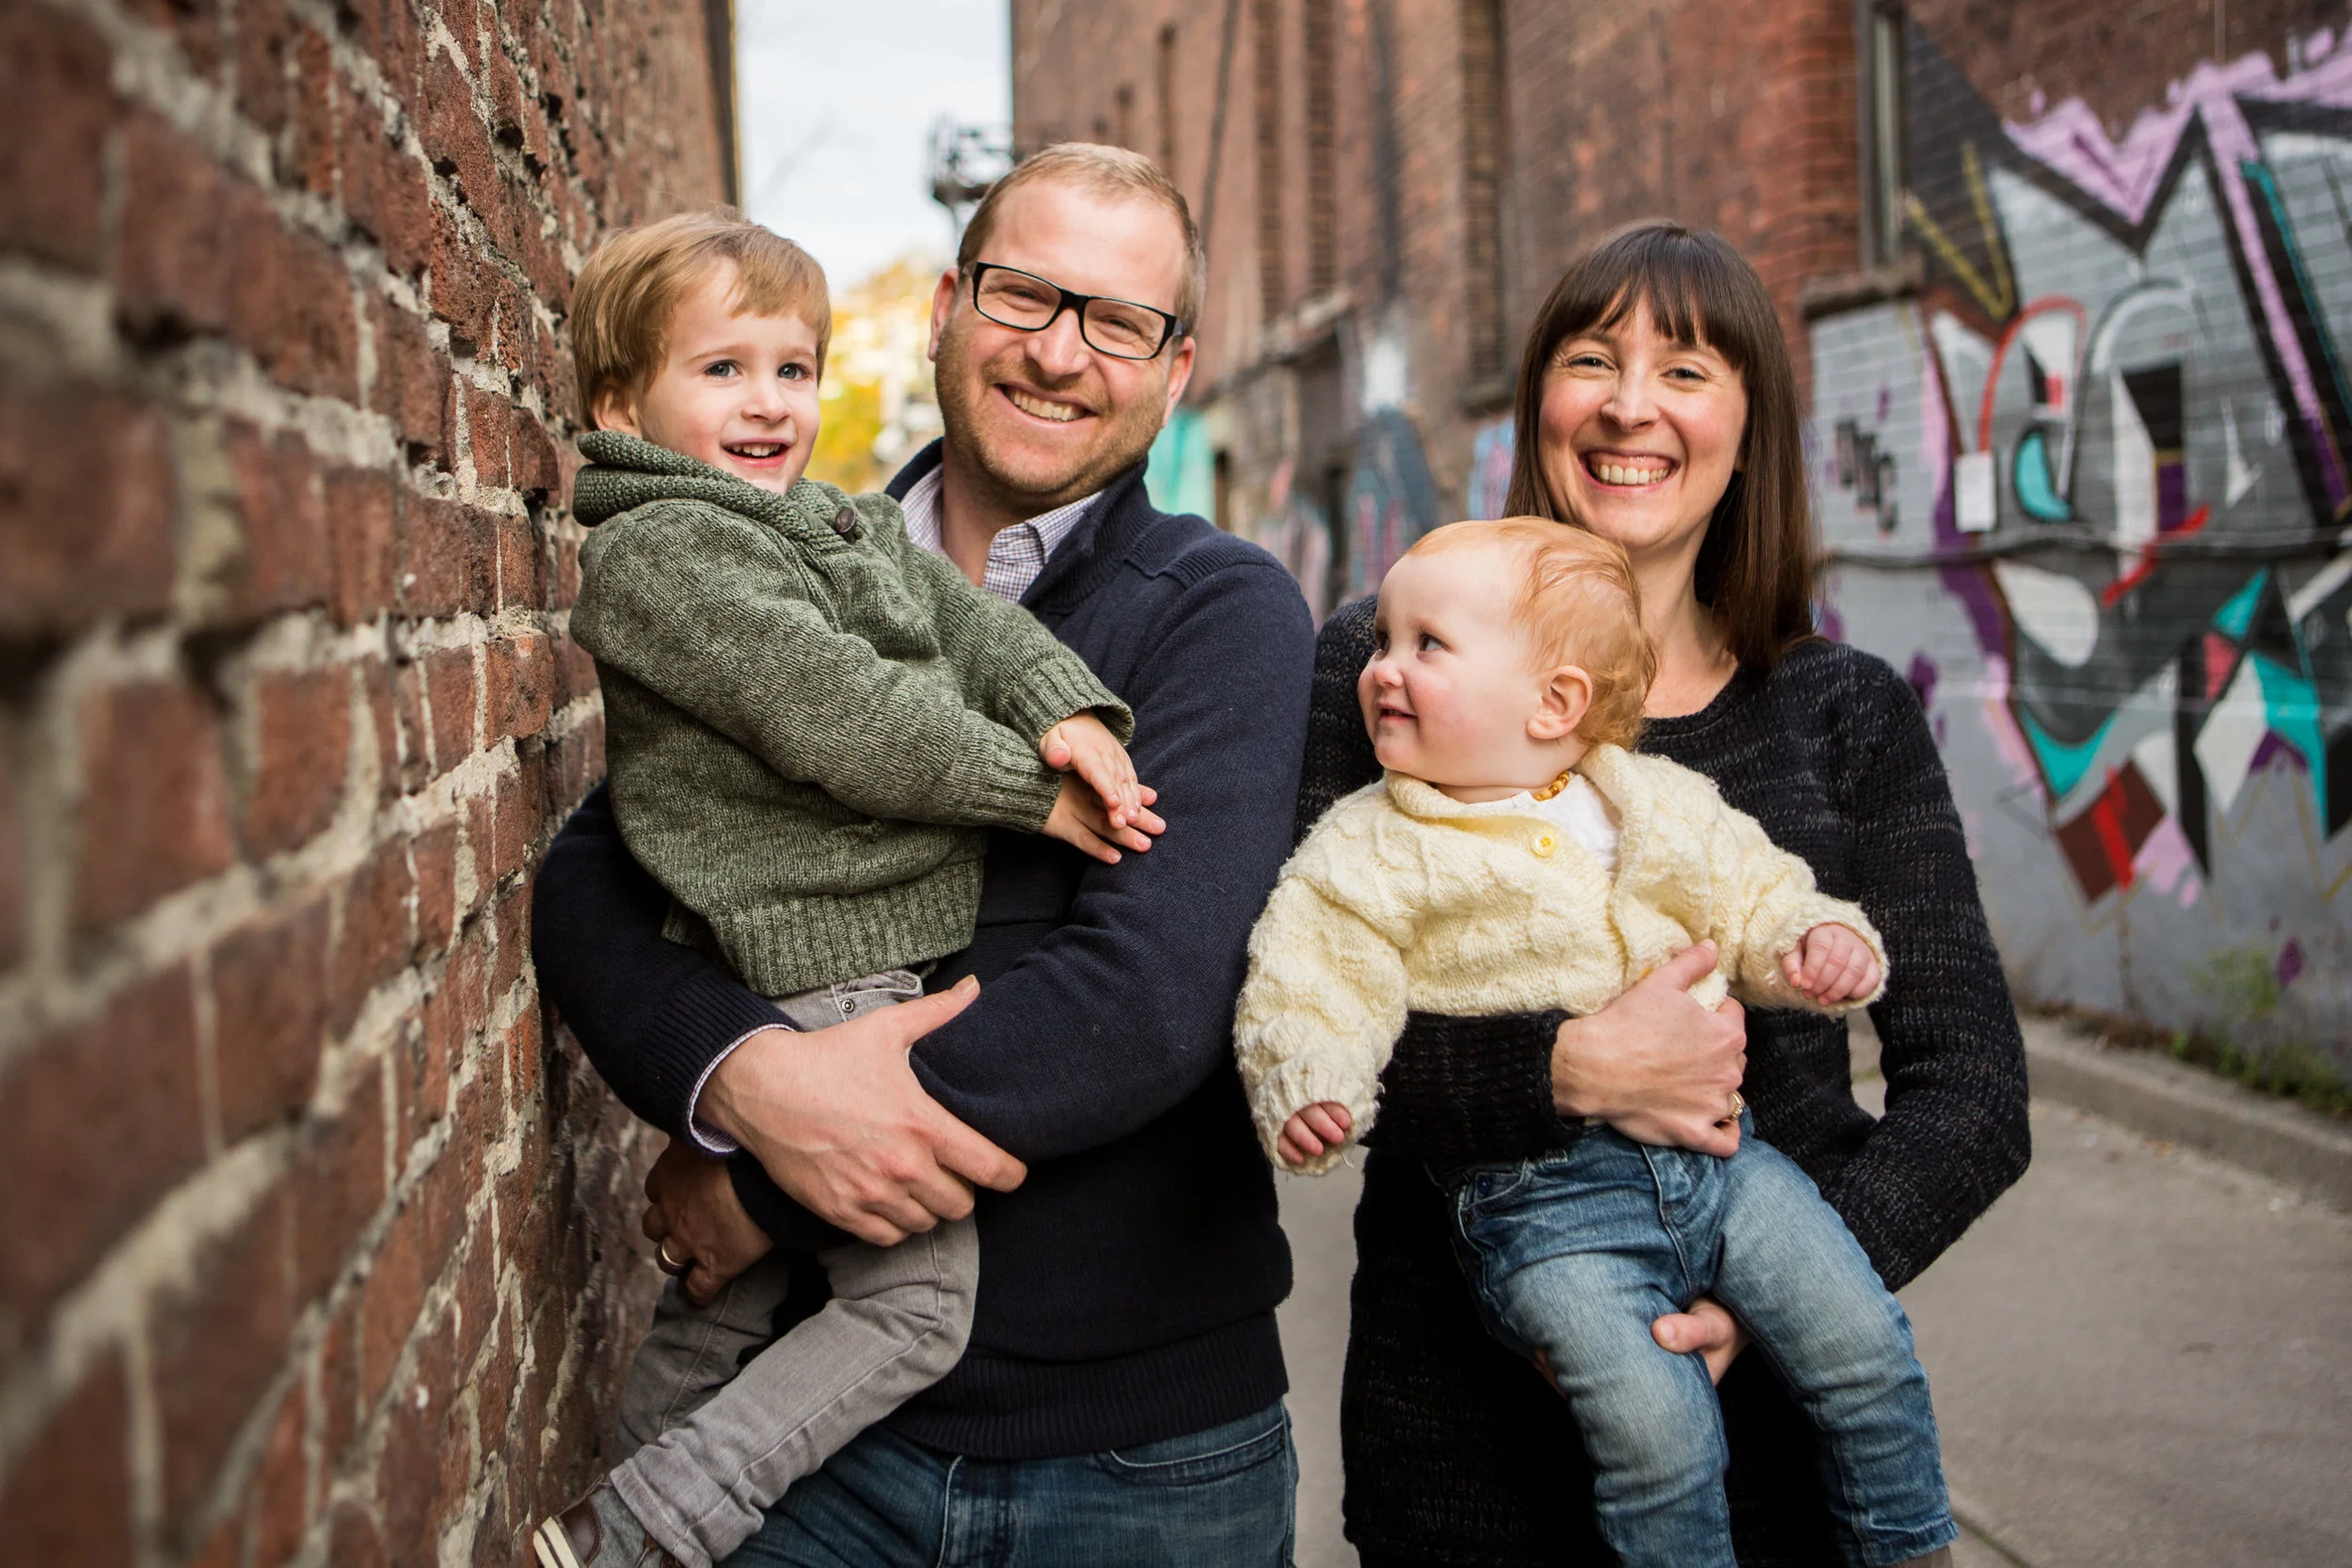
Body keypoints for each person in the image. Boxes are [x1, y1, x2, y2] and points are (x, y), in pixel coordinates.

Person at [530, 144, 1315, 1568]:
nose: (1059, 352)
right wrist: (737, 1078)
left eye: (1119, 321)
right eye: (1024, 294)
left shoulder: (1220, 609)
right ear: (949, 305)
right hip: (808, 1469)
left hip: (1139, 1468)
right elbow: (597, 877)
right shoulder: (768, 558)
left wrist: (759, 1183)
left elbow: (1144, 999)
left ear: (1175, 370)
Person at [1305, 222, 2030, 1566]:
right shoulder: (1385, 668)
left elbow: (1974, 1089)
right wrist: (1567, 1070)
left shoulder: (1842, 711)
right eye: (1592, 359)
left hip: (1783, 1455)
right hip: (1465, 1451)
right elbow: (1310, 1018)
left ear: (1747, 432)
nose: (1630, 405)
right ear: (1538, 403)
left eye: (1686, 370)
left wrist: (1776, 1290)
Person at [1239, 518, 1955, 1568]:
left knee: (1862, 1344)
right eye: (1384, 639)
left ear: (1555, 702)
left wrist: (1812, 938)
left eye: (1426, 644)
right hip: (1539, 1206)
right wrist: (1310, 1081)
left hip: (1728, 1165)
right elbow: (1310, 980)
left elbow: (1754, 888)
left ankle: (1909, 1544)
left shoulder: (1651, 798)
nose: (1382, 667)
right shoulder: (1368, 844)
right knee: (1655, 1431)